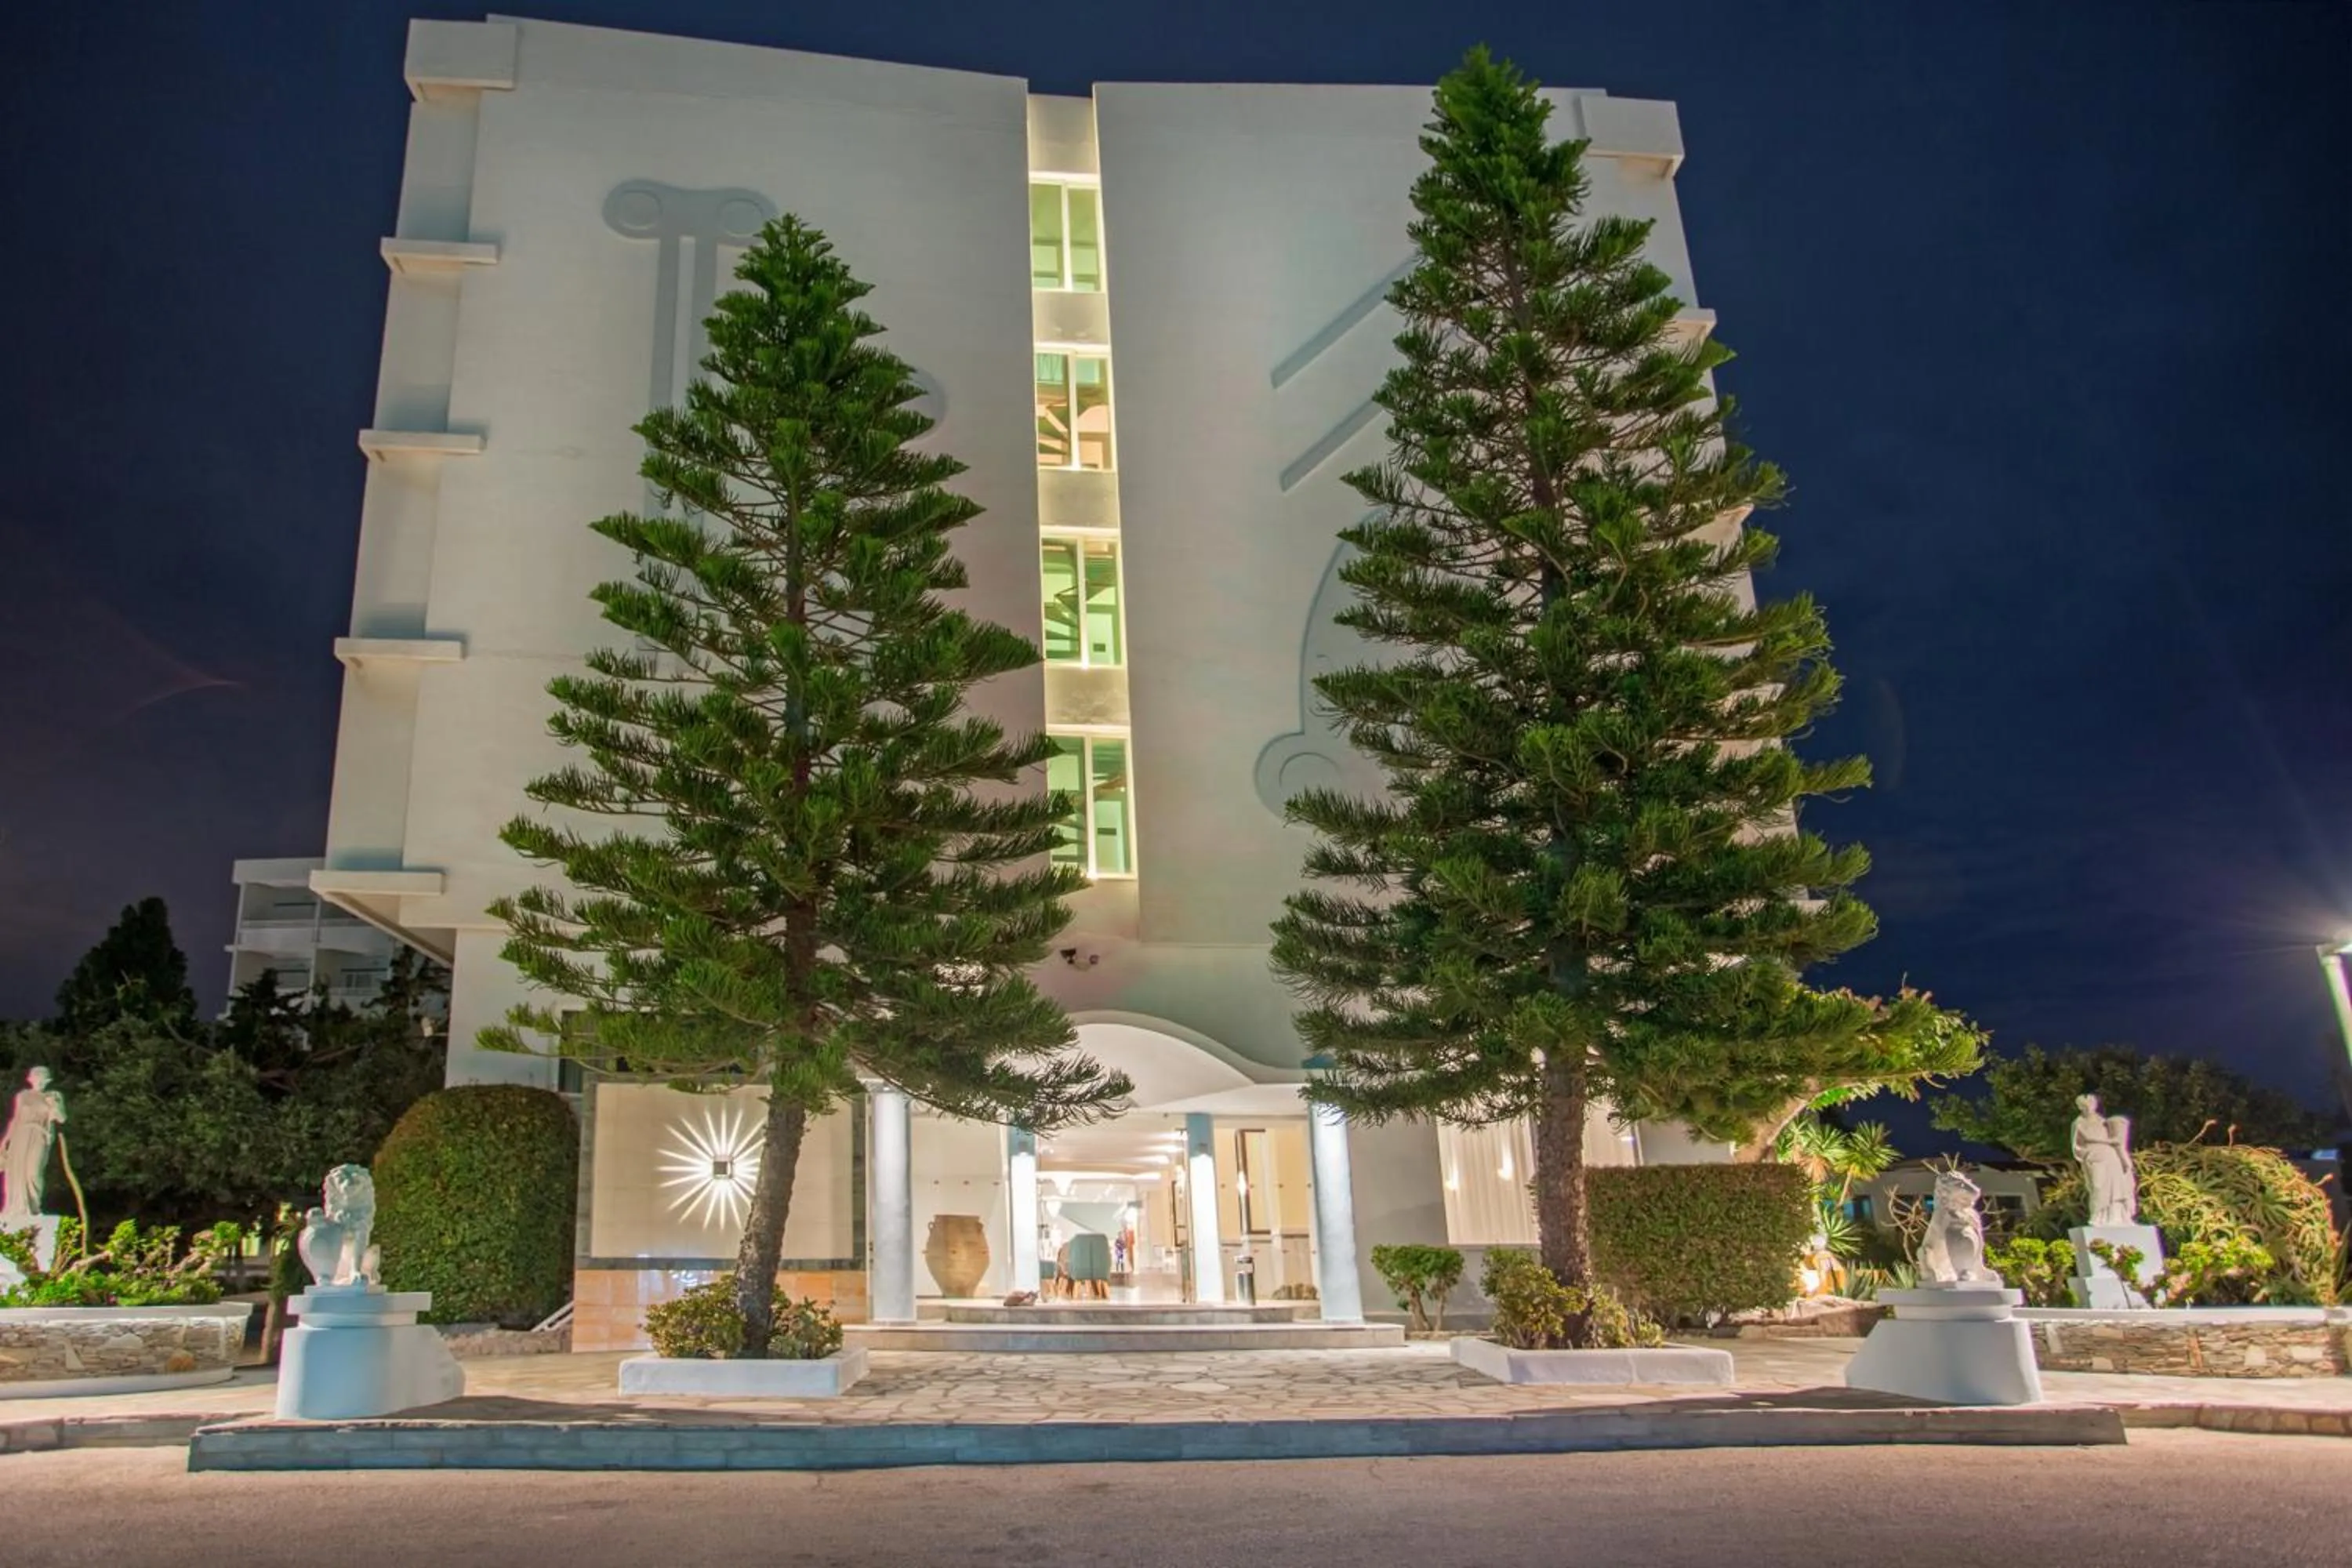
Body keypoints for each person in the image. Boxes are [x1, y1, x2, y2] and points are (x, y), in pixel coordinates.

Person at [0, 1067, 67, 1222]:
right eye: (38, 1079)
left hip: (40, 1135)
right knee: (16, 1172)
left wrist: (54, 1105)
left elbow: (62, 1118)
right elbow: (15, 1120)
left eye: (44, 1080)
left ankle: (34, 1207)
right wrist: (5, 1142)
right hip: (21, 1135)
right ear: (31, 1080)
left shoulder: (54, 1096)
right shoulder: (23, 1096)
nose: (41, 1083)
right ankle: (16, 1208)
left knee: (33, 1172)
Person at [2071, 1093, 2136, 1225]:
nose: (2088, 1108)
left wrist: (2123, 1157)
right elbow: (2082, 1142)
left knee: (2117, 1185)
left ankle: (2117, 1217)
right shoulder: (2079, 1123)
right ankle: (2097, 1216)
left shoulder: (2103, 1122)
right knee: (2098, 1186)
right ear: (2080, 1107)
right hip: (2093, 1156)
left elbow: (2118, 1138)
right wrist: (2108, 1141)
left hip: (2110, 1155)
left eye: (2091, 1105)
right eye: (2084, 1106)